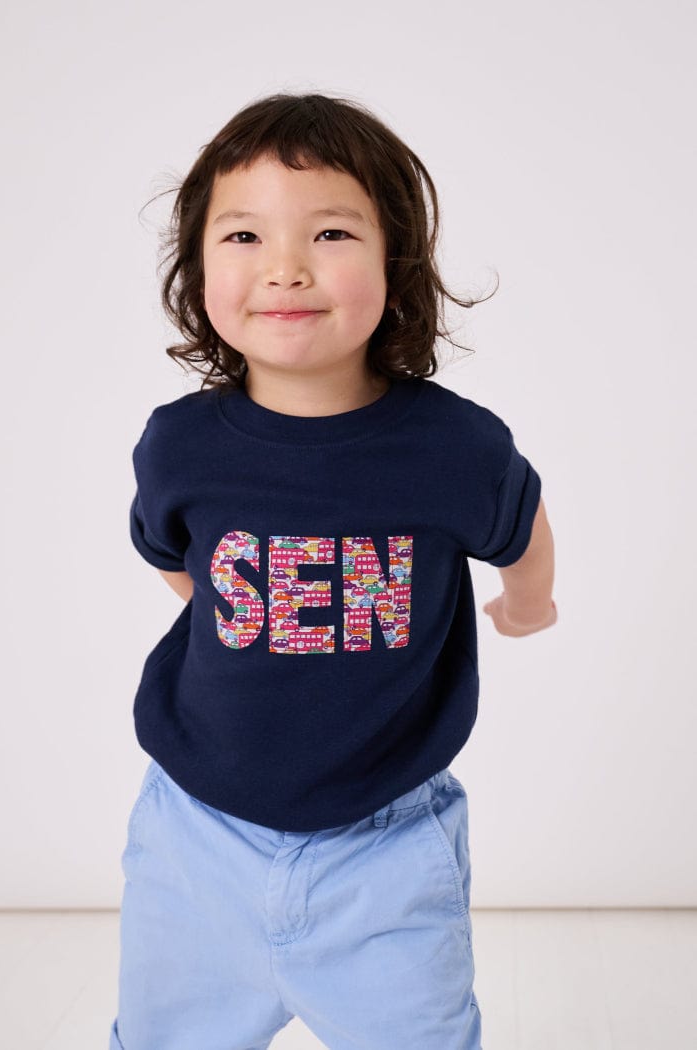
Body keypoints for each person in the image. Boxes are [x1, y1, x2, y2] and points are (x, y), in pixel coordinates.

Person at [109, 91, 557, 1050]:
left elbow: (520, 525)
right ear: (195, 268)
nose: (285, 267)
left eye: (330, 231)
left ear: (394, 263)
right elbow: (179, 562)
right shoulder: (180, 445)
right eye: (242, 236)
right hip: (197, 834)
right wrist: (249, 615)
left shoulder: (452, 446)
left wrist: (530, 602)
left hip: (387, 842)